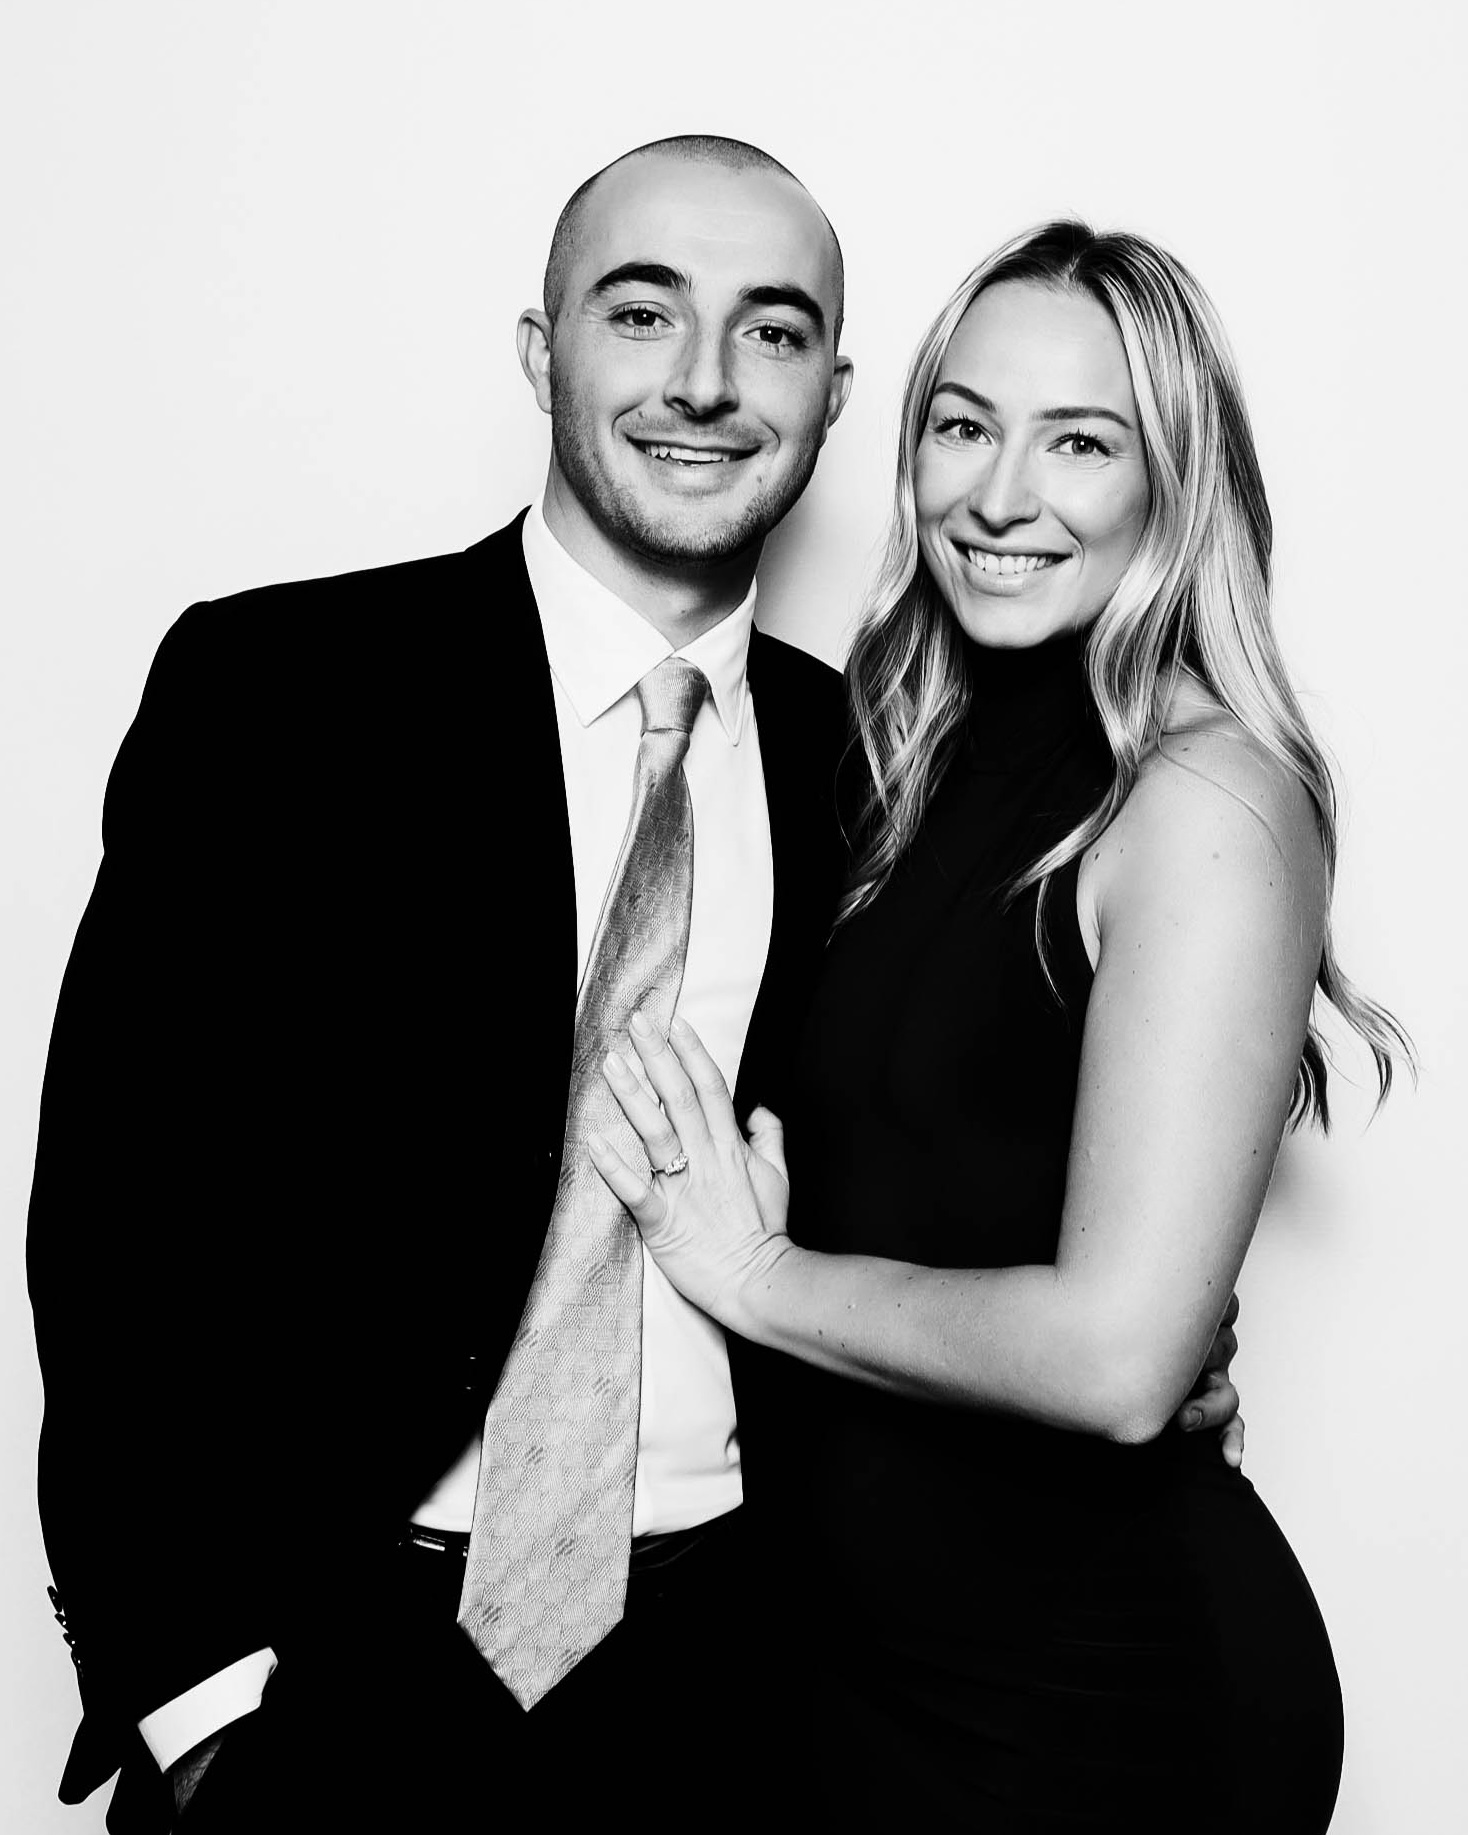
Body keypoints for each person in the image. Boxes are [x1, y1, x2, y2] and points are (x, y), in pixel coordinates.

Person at [28, 145, 1239, 1832]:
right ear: (543, 353)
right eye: (643, 312)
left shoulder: (881, 773)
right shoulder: (281, 694)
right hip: (336, 1670)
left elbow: (971, 1141)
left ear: (834, 395)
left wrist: (1149, 1337)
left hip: (770, 1687)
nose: (701, 383)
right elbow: (111, 1224)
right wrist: (198, 1704)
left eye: (770, 332)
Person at [589, 222, 1410, 1833]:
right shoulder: (892, 762)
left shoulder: (1206, 800)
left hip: (1087, 1707)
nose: (1001, 495)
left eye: (1082, 442)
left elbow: (1117, 1358)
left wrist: (757, 1279)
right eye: (963, 426)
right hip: (849, 1676)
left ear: (1177, 480)